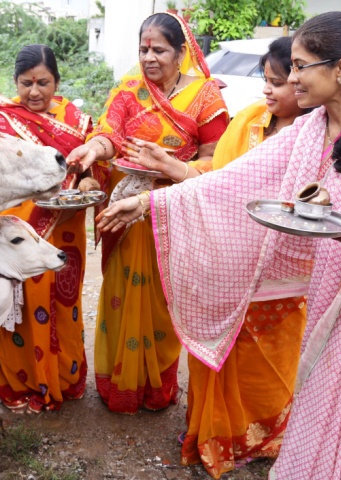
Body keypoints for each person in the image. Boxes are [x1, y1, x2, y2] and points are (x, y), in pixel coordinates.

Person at [98, 12, 341, 478]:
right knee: (324, 394)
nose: (290, 79)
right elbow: (232, 182)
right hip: (333, 279)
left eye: (300, 66)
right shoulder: (311, 129)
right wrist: (151, 203)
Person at [65, 12, 229, 414]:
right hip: (126, 212)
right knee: (122, 295)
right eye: (143, 49)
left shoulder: (207, 95)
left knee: (164, 299)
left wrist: (172, 168)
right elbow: (109, 134)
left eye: (159, 49)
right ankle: (119, 384)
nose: (149, 57)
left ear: (182, 52)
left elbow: (218, 159)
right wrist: (94, 149)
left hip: (176, 211)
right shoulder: (129, 90)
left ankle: (157, 385)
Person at [179, 36, 310, 478]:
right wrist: (177, 170)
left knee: (267, 354)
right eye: (267, 81)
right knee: (223, 346)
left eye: (280, 82)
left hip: (284, 267)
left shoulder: (319, 135)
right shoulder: (252, 118)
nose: (269, 91)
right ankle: (215, 431)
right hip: (230, 255)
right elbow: (222, 178)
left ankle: (263, 434)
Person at [0, 44, 92, 413]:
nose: (34, 92)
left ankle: (62, 378)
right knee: (11, 304)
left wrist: (87, 182)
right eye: (26, 83)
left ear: (57, 81)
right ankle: (19, 380)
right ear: (16, 83)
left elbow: (91, 168)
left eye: (43, 82)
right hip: (12, 231)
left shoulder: (78, 122)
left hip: (63, 227)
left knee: (64, 304)